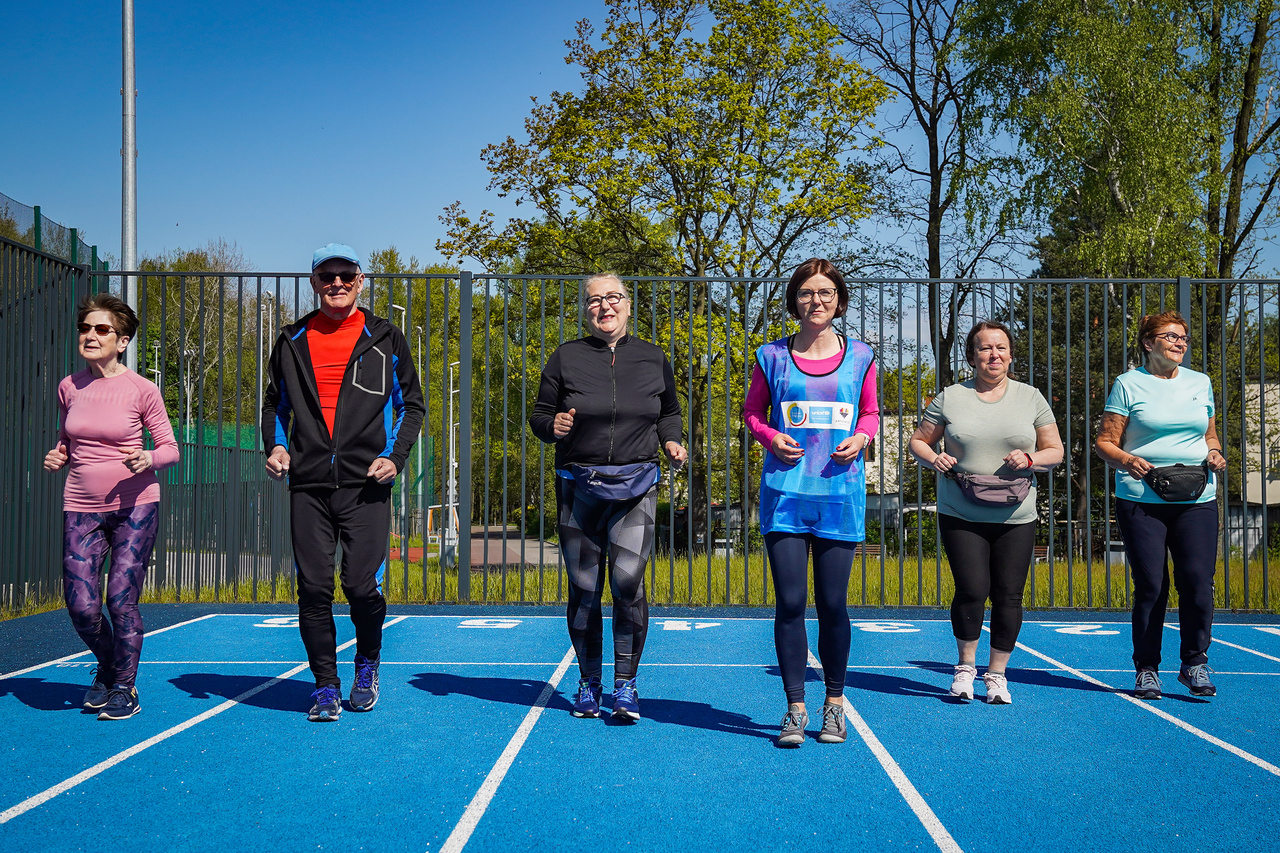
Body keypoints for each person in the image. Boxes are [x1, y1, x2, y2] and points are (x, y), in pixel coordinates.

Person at [262, 243, 425, 721]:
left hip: (366, 483)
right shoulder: (291, 339)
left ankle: (367, 663)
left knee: (359, 586)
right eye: (327, 276)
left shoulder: (385, 337)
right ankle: (325, 687)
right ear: (313, 283)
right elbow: (275, 405)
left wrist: (395, 457)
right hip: (309, 484)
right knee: (313, 588)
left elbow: (411, 406)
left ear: (360, 280)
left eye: (346, 275)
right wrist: (275, 447)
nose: (337, 283)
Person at [529, 272, 687, 722]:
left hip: (637, 486)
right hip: (578, 487)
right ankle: (588, 682)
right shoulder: (566, 357)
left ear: (629, 305)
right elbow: (540, 415)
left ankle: (625, 685)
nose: (605, 307)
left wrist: (671, 442)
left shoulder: (653, 358)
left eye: (613, 297)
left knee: (627, 584)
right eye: (595, 300)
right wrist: (552, 426)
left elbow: (669, 413)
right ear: (585, 309)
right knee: (584, 591)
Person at [743, 257, 879, 746]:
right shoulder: (771, 356)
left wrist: (862, 440)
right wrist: (770, 438)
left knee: (835, 604)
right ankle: (795, 708)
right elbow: (752, 413)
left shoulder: (861, 356)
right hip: (785, 496)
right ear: (794, 300)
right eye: (806, 293)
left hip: (840, 496)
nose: (815, 301)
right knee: (791, 603)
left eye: (825, 293)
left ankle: (835, 704)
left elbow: (871, 412)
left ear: (839, 301)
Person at [908, 321, 1063, 705]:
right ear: (972, 356)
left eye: (1001, 348)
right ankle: (965, 669)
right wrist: (934, 457)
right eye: (985, 348)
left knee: (1008, 595)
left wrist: (1030, 458)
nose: (994, 355)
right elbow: (918, 441)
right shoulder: (950, 396)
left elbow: (1055, 451)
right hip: (961, 511)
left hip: (1016, 514)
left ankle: (997, 676)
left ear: (1011, 354)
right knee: (972, 590)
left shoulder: (1031, 398)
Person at [43, 293, 180, 720]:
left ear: (122, 341)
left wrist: (149, 458)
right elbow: (71, 437)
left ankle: (124, 687)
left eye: (101, 329)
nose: (90, 335)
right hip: (81, 505)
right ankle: (108, 664)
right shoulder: (70, 386)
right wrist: (59, 453)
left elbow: (171, 449)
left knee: (120, 598)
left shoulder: (142, 389)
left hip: (135, 505)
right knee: (82, 606)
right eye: (85, 328)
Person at [1094, 311, 1226, 699]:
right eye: (1170, 336)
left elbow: (1211, 435)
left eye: (1184, 337)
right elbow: (1105, 442)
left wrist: (1215, 453)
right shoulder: (1128, 385)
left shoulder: (1200, 383)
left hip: (1198, 497)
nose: (1180, 342)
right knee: (1152, 585)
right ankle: (1147, 669)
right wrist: (1128, 461)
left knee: (1198, 583)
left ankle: (1195, 663)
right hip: (1142, 499)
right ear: (1149, 343)